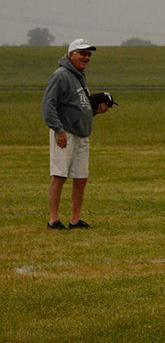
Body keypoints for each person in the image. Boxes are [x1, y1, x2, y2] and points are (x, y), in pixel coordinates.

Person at [41, 39, 109, 231]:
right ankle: (53, 221)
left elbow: (78, 106)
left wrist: (96, 111)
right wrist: (58, 130)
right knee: (59, 176)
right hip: (65, 133)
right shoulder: (61, 75)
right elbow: (48, 105)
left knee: (81, 179)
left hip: (81, 134)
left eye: (89, 54)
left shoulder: (80, 75)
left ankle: (74, 221)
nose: (86, 57)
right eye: (82, 53)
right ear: (71, 55)